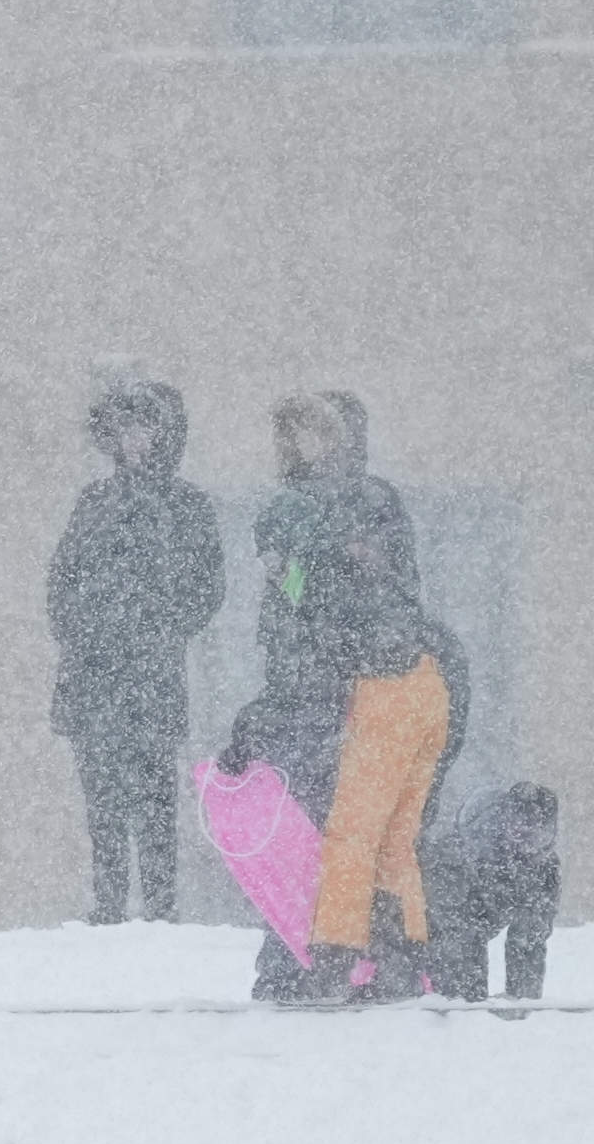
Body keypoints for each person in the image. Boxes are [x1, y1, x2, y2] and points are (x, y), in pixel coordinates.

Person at [226, 396, 453, 1002]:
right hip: (366, 691)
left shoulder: (363, 510)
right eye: (295, 436)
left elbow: (342, 618)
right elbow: (293, 633)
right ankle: (392, 961)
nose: (307, 448)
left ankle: (329, 960)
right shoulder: (306, 539)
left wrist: (325, 564)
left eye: (318, 435)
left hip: (361, 696)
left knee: (344, 840)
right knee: (374, 841)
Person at [46, 382, 223, 923]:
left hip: (151, 677)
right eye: (124, 430)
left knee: (154, 803)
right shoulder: (93, 502)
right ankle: (108, 909)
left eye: (144, 428)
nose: (135, 441)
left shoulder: (187, 505)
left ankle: (160, 912)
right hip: (93, 678)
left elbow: (207, 588)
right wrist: (84, 631)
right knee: (102, 806)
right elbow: (61, 582)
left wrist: (157, 629)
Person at [423, 785, 560, 1006]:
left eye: (540, 834)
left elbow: (529, 940)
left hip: (461, 937)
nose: (528, 843)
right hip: (418, 939)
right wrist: (472, 1009)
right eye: (521, 829)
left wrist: (522, 1006)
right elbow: (458, 939)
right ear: (503, 821)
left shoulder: (544, 869)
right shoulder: (456, 858)